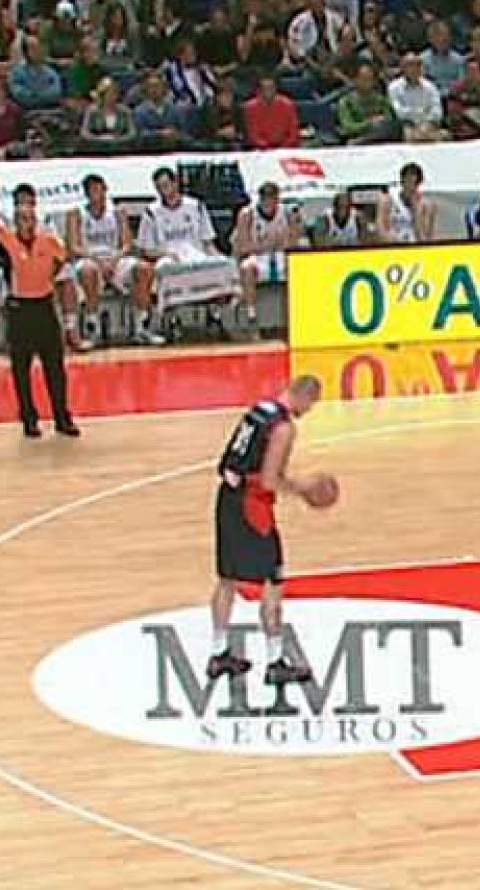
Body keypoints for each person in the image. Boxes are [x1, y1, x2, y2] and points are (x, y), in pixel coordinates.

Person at [206, 375, 325, 685]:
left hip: (226, 497)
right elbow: (271, 481)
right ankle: (276, 661)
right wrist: (303, 488)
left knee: (227, 579)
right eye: (311, 405)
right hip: (251, 506)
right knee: (273, 580)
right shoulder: (284, 428)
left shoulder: (259, 409)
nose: (309, 411)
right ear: (305, 397)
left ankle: (219, 654)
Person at [0, 175, 78, 438]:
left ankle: (62, 416)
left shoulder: (47, 240)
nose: (26, 223)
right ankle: (28, 418)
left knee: (54, 366)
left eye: (30, 218)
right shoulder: (11, 241)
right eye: (21, 219)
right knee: (21, 368)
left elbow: (65, 256)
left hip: (44, 305)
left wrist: (50, 272)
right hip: (21, 308)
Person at [133, 166, 234, 346]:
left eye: (166, 185)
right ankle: (172, 317)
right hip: (167, 256)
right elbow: (146, 250)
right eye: (159, 187)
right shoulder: (151, 212)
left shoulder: (196, 206)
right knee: (167, 270)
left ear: (175, 183)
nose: (164, 191)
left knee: (222, 264)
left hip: (195, 254)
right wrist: (166, 253)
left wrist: (219, 259)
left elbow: (208, 241)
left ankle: (216, 314)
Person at [60, 173, 138, 350]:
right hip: (88, 258)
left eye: (99, 189)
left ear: (105, 189)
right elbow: (73, 246)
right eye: (92, 191)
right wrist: (98, 260)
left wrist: (114, 259)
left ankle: (142, 326)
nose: (97, 194)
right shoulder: (76, 213)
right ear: (87, 194)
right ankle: (92, 324)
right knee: (89, 271)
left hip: (115, 258)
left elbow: (127, 244)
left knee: (141, 269)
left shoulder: (118, 212)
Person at [231, 182, 303, 336]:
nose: (269, 202)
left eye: (272, 198)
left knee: (298, 266)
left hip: (279, 255)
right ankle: (252, 315)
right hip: (258, 256)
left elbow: (295, 240)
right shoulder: (247, 214)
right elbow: (242, 246)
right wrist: (264, 246)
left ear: (277, 199)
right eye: (265, 198)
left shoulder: (288, 213)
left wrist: (283, 243)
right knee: (247, 268)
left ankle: (298, 313)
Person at [376, 162, 436, 243]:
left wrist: (416, 212)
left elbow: (425, 237)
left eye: (415, 183)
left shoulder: (426, 206)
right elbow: (381, 228)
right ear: (402, 181)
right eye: (408, 181)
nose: (411, 187)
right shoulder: (388, 200)